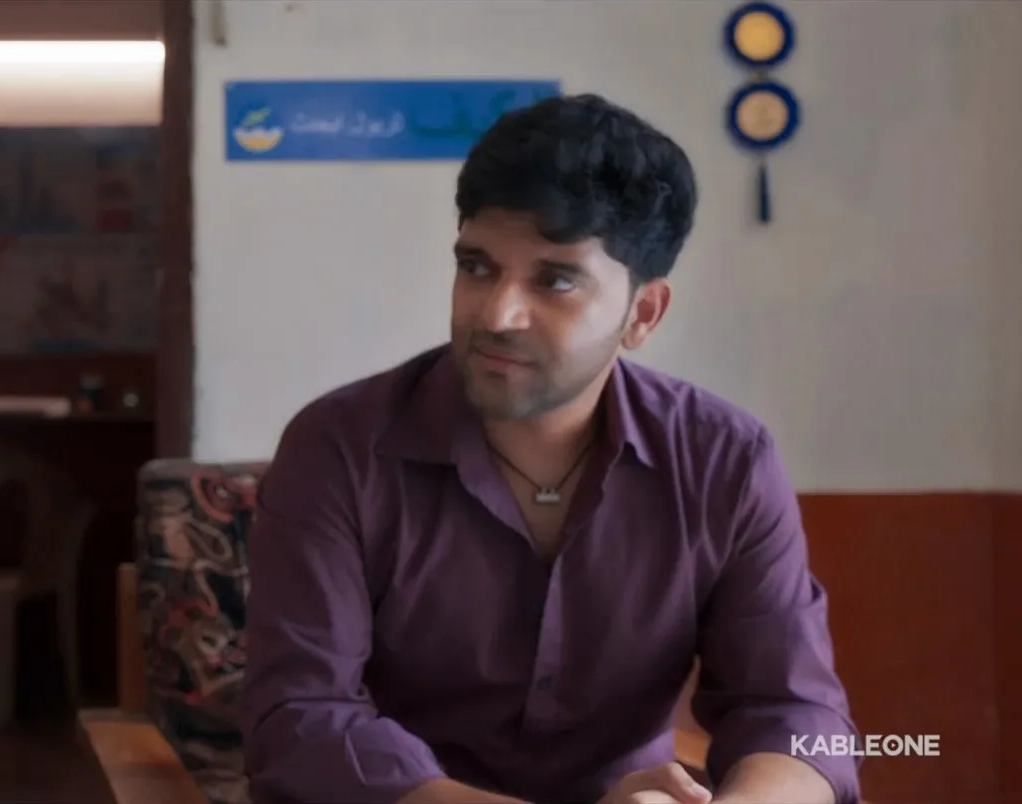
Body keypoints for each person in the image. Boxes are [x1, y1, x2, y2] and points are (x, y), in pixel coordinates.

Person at [239, 94, 858, 804]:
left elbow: (798, 715)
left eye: (555, 280)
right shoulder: (339, 449)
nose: (497, 314)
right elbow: (301, 722)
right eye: (477, 267)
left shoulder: (725, 462)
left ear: (642, 313)